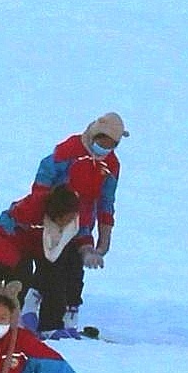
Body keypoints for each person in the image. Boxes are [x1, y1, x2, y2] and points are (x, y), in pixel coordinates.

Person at [24, 112, 128, 337]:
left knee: (73, 271)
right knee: (52, 265)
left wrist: (104, 235)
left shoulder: (111, 165)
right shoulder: (68, 152)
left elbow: (106, 201)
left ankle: (67, 318)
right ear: (94, 135)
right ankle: (40, 317)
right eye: (103, 142)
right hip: (55, 220)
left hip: (82, 227)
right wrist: (45, 208)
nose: (105, 148)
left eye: (112, 145)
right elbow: (43, 179)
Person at [0, 185, 81, 329]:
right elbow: (15, 232)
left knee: (53, 275)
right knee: (21, 277)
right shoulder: (29, 210)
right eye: (66, 219)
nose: (68, 222)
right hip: (13, 245)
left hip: (30, 247)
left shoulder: (66, 221)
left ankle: (48, 324)